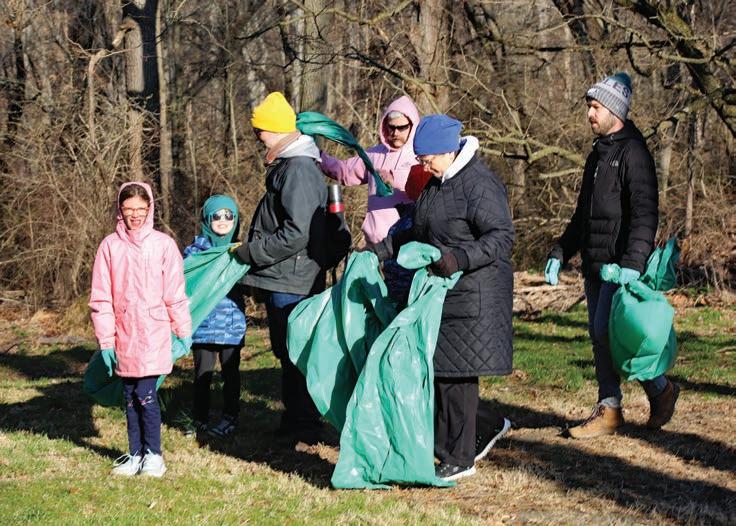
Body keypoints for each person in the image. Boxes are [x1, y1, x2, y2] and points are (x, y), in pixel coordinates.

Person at [371, 115, 514, 481]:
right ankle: (479, 429)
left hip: (475, 293)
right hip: (444, 291)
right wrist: (381, 250)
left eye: (428, 158)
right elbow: (418, 228)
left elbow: (501, 237)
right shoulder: (438, 183)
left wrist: (458, 259)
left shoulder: (479, 184)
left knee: (457, 378)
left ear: (449, 150)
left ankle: (460, 459)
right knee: (439, 373)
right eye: (421, 159)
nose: (424, 165)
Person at [544, 72, 679, 439]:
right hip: (595, 264)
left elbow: (645, 214)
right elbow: (583, 215)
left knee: (610, 333)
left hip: (619, 267)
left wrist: (632, 265)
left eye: (595, 107)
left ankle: (653, 392)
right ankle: (617, 407)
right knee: (599, 334)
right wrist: (560, 251)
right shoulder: (598, 154)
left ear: (614, 111)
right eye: (589, 107)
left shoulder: (633, 153)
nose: (589, 114)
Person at [233, 92, 327, 445]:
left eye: (259, 130)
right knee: (288, 354)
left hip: (293, 280)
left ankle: (305, 427)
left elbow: (297, 233)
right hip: (286, 277)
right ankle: (295, 421)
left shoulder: (298, 169)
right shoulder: (291, 165)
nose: (257, 137)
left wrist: (252, 253)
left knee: (296, 355)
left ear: (273, 130)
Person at [89, 182, 192, 477]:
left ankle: (154, 456)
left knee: (146, 393)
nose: (135, 215)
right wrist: (106, 340)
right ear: (119, 210)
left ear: (150, 209)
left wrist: (183, 330)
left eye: (140, 209)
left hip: (154, 333)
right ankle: (135, 454)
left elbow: (175, 292)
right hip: (123, 334)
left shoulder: (163, 245)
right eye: (128, 209)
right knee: (130, 395)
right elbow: (101, 297)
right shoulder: (110, 246)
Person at [183, 195, 246, 438]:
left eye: (229, 216)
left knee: (231, 375)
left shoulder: (241, 252)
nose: (222, 220)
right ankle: (199, 418)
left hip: (232, 326)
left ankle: (231, 417)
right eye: (216, 216)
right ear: (207, 220)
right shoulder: (195, 252)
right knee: (202, 375)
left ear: (235, 220)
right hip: (203, 325)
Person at [320, 95, 420, 244]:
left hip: (407, 244)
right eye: (391, 127)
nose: (395, 133)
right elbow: (344, 171)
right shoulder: (373, 155)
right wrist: (318, 157)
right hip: (374, 243)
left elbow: (423, 185)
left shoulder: (421, 156)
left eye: (401, 127)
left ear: (413, 126)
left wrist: (394, 178)